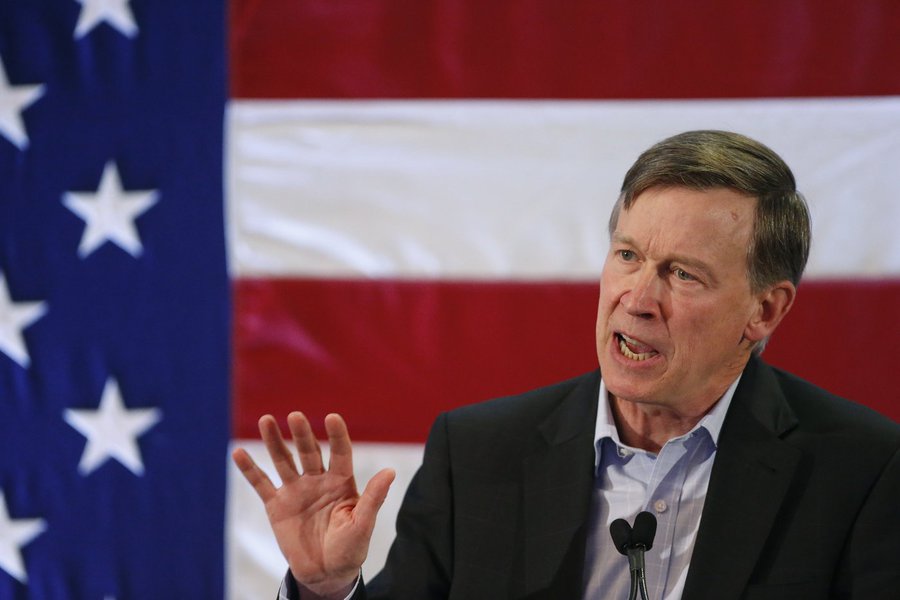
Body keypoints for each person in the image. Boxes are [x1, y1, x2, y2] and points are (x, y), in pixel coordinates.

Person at [232, 130, 900, 600]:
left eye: (683, 275)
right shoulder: (479, 453)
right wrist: (327, 590)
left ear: (764, 311)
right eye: (629, 255)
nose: (637, 300)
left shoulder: (861, 471)